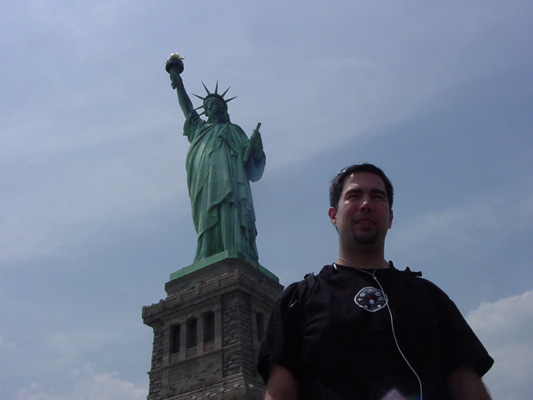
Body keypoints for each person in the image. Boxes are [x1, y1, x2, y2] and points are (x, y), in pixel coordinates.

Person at [257, 163, 493, 400]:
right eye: (354, 196)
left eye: (377, 197)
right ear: (333, 215)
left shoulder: (430, 297)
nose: (366, 204)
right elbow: (280, 392)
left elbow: (466, 384)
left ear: (390, 217)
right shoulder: (297, 300)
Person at [169, 68, 265, 265]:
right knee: (206, 216)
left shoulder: (234, 131)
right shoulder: (199, 129)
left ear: (223, 108)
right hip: (204, 181)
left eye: (214, 104)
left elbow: (251, 167)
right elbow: (187, 108)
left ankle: (235, 247)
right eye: (208, 105)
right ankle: (206, 253)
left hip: (231, 182)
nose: (211, 107)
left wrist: (256, 149)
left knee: (230, 210)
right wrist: (179, 84)